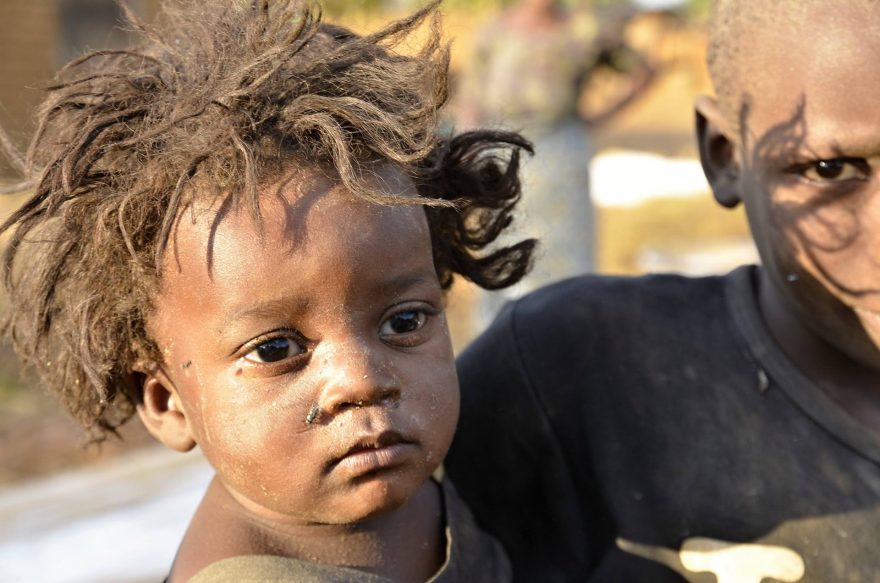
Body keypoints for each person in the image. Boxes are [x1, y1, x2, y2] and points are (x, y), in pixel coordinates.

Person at [0, 1, 536, 581]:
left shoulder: (456, 476)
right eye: (276, 350)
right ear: (165, 401)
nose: (362, 381)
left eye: (403, 322)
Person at [445, 0, 880, 581]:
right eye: (830, 170)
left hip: (562, 155)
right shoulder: (566, 379)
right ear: (725, 155)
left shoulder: (587, 28)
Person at [457, 0, 654, 321]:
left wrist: (597, 119)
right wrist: (472, 160)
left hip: (559, 159)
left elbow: (642, 71)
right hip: (501, 158)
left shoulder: (584, 30)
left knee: (561, 259)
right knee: (500, 252)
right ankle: (500, 346)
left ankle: (564, 339)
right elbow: (471, 102)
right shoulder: (495, 32)